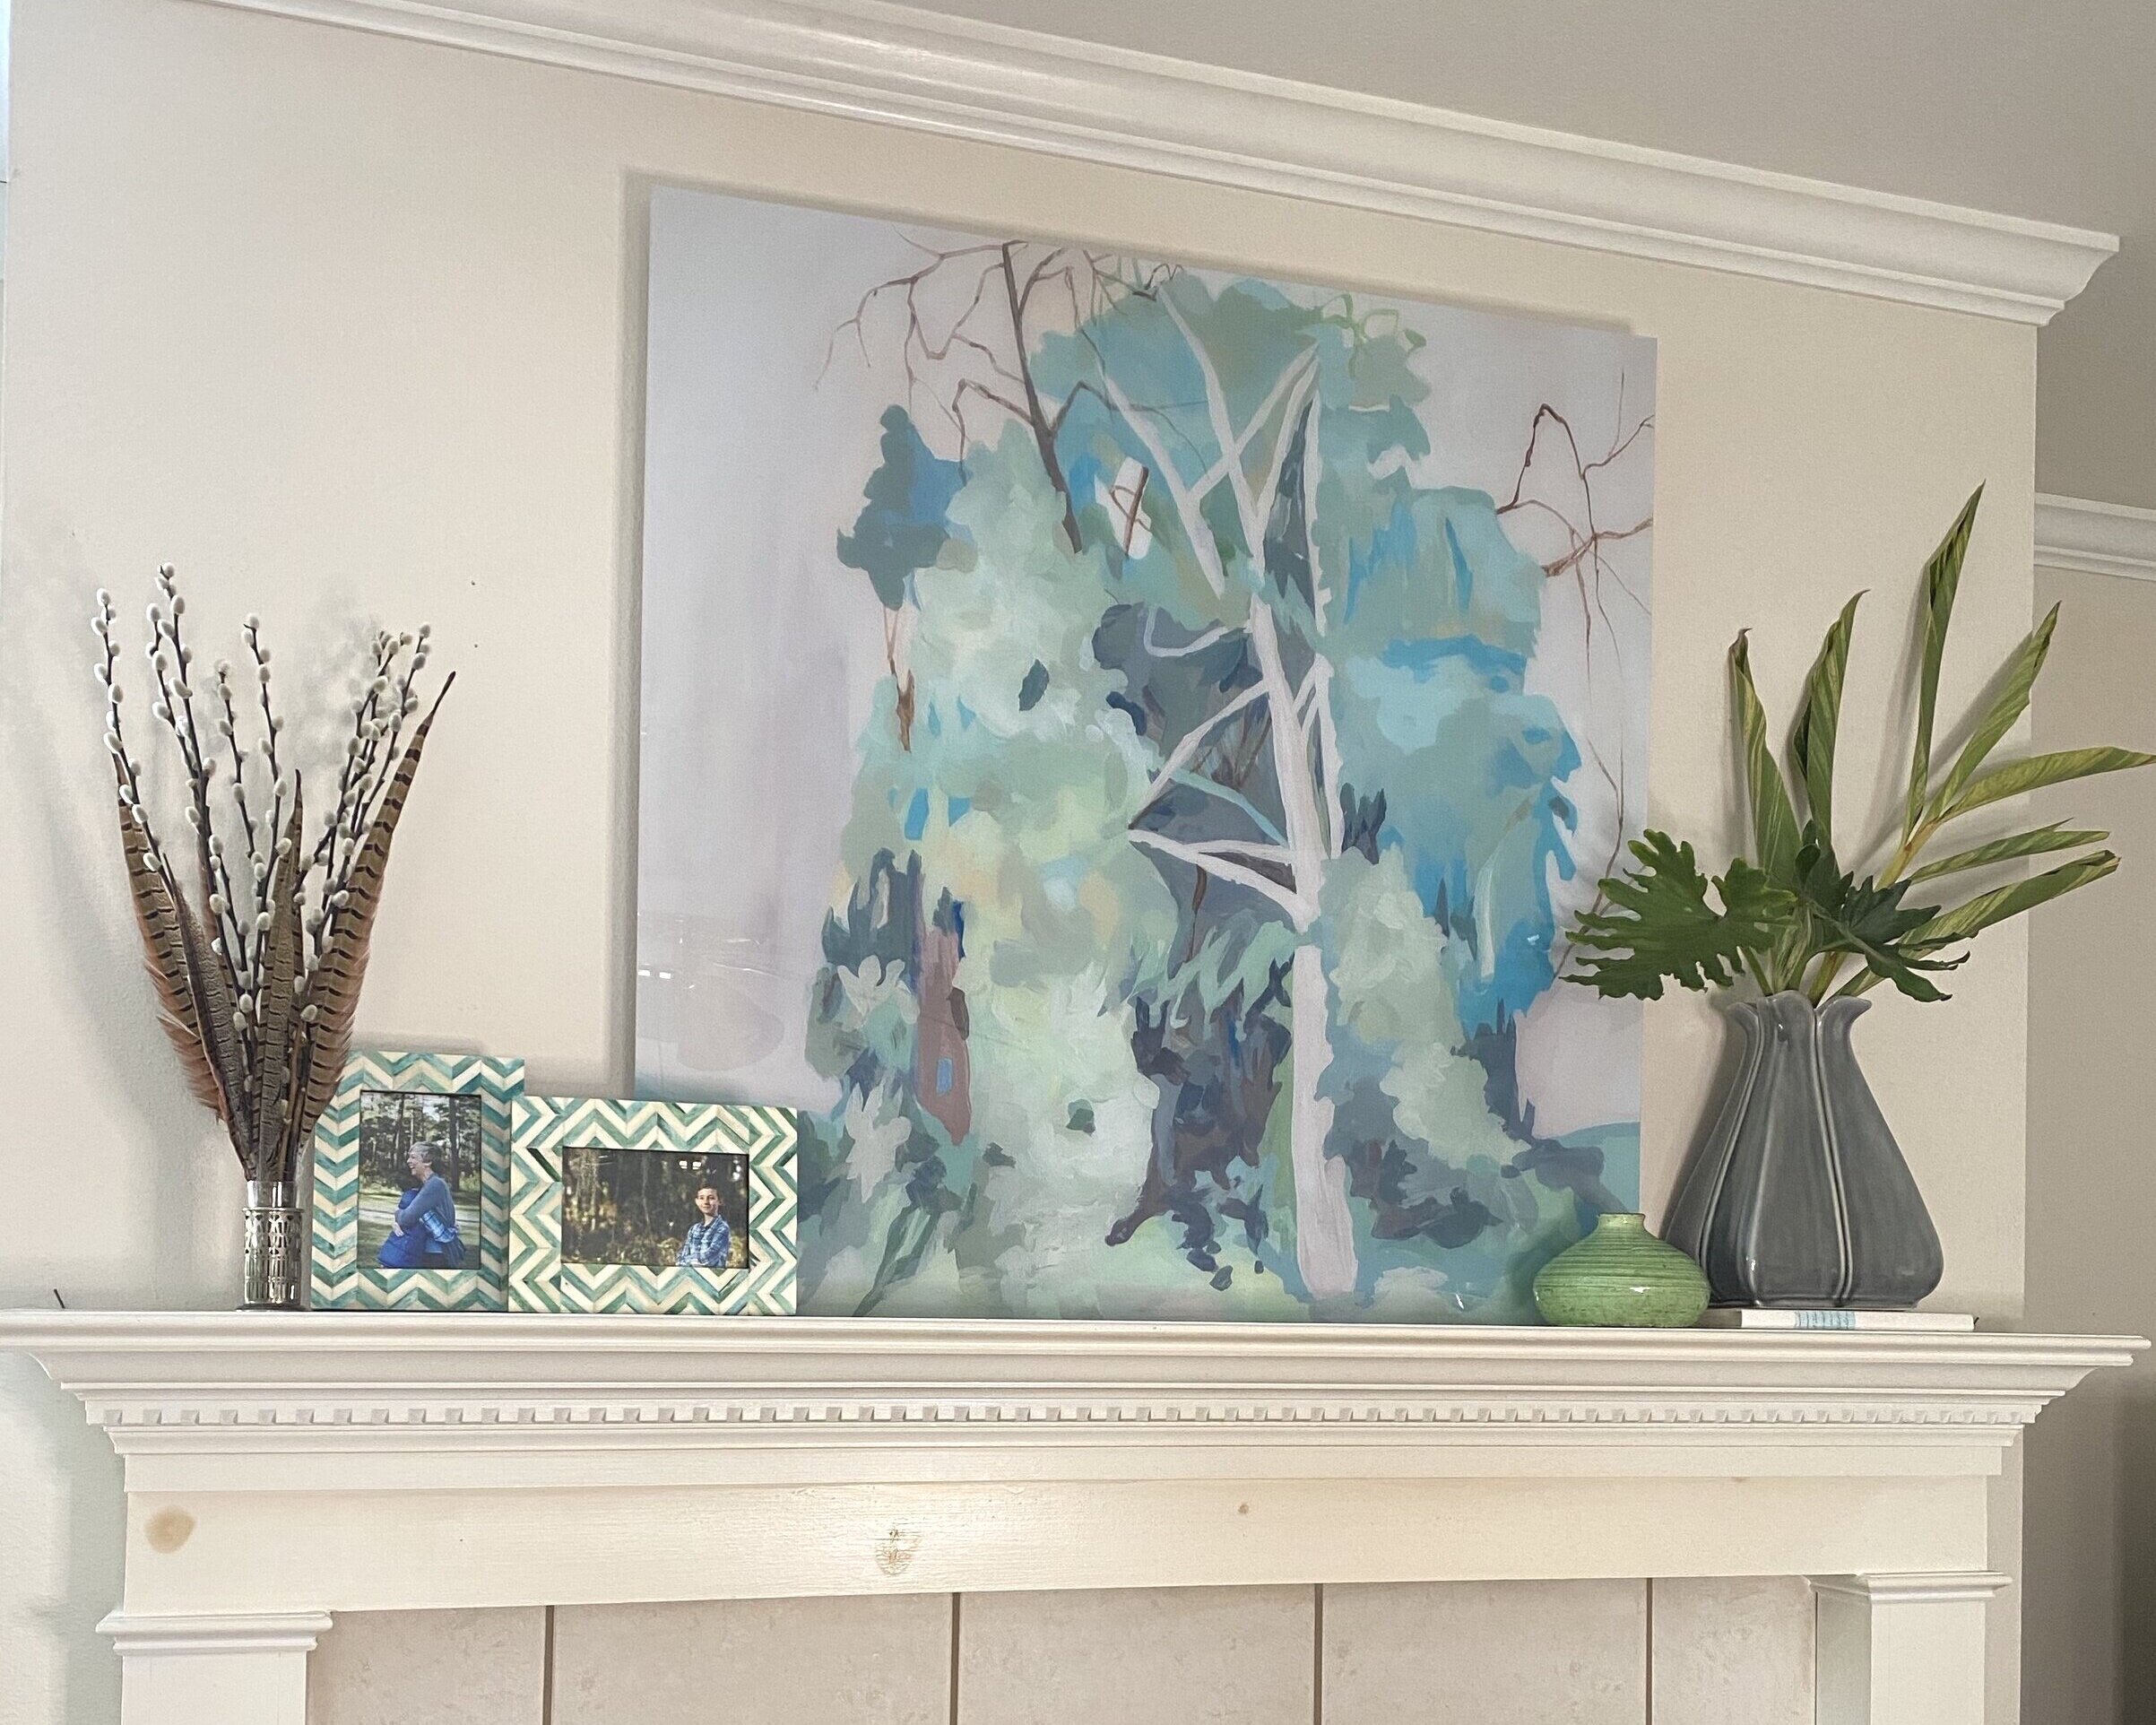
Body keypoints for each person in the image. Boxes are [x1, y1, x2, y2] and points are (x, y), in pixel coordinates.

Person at [378, 1142, 467, 1270]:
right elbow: (415, 1219)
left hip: (436, 1256)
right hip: (427, 1252)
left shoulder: (435, 1184)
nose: (408, 1161)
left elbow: (407, 1218)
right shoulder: (428, 1184)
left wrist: (397, 1212)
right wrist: (397, 1223)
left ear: (428, 1162)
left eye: (413, 1157)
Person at [677, 1182, 734, 1269]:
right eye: (701, 1198)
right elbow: (681, 1257)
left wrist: (686, 1260)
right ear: (696, 1201)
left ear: (720, 1201)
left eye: (711, 1198)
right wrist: (687, 1261)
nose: (706, 1202)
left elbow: (707, 1260)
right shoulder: (694, 1229)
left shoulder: (722, 1228)